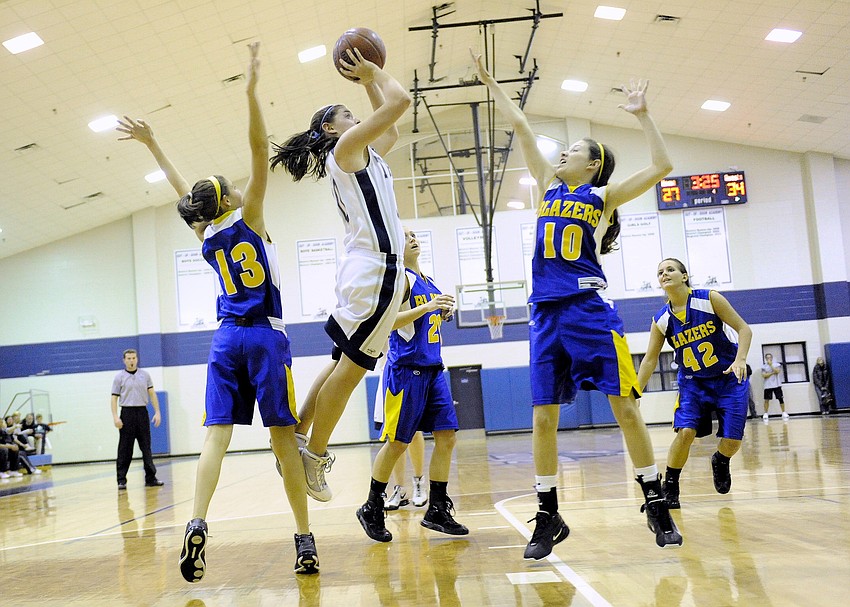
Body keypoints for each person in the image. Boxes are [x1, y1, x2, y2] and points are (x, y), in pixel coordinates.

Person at [117, 43, 318, 580]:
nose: (237, 182)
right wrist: (251, 92)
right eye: (230, 186)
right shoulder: (251, 217)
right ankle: (304, 539)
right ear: (229, 200)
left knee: (216, 438)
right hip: (265, 337)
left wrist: (153, 145)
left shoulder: (206, 234)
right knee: (284, 441)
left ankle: (197, 523)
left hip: (225, 338)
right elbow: (258, 147)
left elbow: (184, 193)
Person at [471, 51, 682, 557]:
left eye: (572, 151)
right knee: (543, 417)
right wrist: (492, 84)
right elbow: (521, 126)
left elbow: (663, 166)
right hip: (545, 313)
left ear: (592, 165)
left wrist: (643, 115)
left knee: (624, 407)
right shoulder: (547, 187)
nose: (562, 155)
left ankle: (654, 501)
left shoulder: (603, 198)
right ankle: (548, 514)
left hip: (588, 310)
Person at [269, 47, 411, 502]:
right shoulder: (347, 149)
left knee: (339, 362)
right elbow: (401, 102)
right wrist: (375, 72)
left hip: (364, 270)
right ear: (332, 130)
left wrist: (367, 85)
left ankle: (297, 435)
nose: (357, 118)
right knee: (351, 372)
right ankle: (316, 454)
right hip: (377, 271)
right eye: (347, 115)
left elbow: (391, 125)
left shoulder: (363, 153)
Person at [356, 228, 468, 542]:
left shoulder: (428, 281)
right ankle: (371, 507)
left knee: (447, 437)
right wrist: (428, 308)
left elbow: (426, 319)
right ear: (395, 245)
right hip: (406, 370)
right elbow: (387, 322)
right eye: (406, 236)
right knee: (397, 443)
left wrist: (443, 312)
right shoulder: (399, 279)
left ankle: (437, 510)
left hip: (433, 369)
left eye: (415, 234)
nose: (413, 238)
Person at [637, 258, 753, 508]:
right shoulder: (661, 319)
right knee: (686, 432)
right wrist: (635, 392)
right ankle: (670, 488)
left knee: (733, 441)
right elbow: (649, 359)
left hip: (728, 379)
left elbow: (744, 329)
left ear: (684, 276)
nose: (664, 274)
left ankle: (721, 460)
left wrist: (740, 359)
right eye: (660, 272)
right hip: (693, 383)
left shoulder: (709, 299)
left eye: (670, 269)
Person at [110, 349, 163, 490]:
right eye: (128, 358)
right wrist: (115, 417)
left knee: (146, 447)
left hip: (142, 412)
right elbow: (114, 398)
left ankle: (150, 478)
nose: (131, 361)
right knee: (125, 448)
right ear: (124, 360)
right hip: (127, 413)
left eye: (133, 358)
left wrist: (157, 412)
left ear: (137, 359)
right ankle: (121, 480)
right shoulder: (119, 377)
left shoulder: (145, 375)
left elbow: (152, 394)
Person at [762, 353, 788, 422]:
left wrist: (771, 365)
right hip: (768, 385)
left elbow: (777, 371)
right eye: (767, 358)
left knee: (780, 399)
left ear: (772, 358)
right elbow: (764, 375)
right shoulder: (764, 366)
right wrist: (772, 373)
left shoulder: (777, 364)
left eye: (770, 357)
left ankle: (783, 412)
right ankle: (765, 413)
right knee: (766, 400)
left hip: (777, 385)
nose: (769, 359)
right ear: (765, 359)